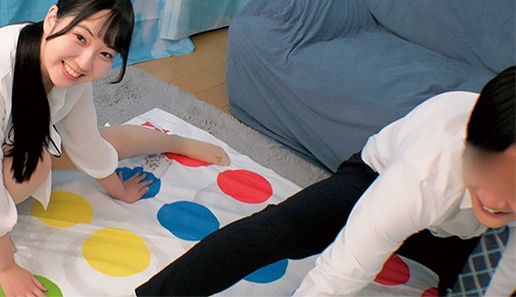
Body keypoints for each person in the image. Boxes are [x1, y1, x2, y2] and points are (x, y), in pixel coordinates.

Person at [0, 0, 230, 297]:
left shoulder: (65, 67)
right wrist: (7, 268)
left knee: (93, 144)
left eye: (105, 54)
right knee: (36, 165)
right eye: (81, 38)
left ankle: (176, 141)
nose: (84, 62)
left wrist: (119, 189)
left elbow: (87, 142)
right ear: (53, 18)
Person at [136, 65, 516, 296]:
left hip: (463, 237)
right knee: (279, 229)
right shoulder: (427, 168)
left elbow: (498, 277)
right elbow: (341, 272)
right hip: (374, 180)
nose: (495, 197)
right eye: (486, 169)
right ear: (468, 144)